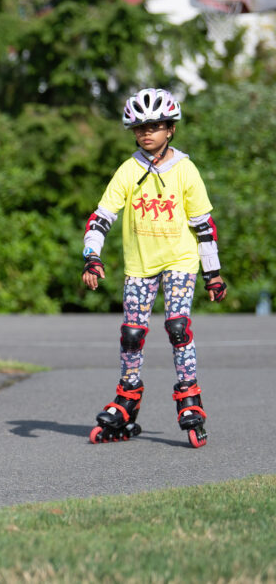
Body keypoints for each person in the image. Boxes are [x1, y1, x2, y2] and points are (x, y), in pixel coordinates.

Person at [82, 88, 226, 448]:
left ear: (170, 129)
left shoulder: (186, 170)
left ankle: (190, 398)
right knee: (132, 333)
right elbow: (102, 217)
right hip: (139, 265)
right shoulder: (128, 170)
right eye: (141, 126)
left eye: (156, 125)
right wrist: (92, 256)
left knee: (178, 327)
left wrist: (213, 273)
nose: (148, 132)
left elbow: (204, 226)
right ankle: (127, 399)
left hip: (180, 259)